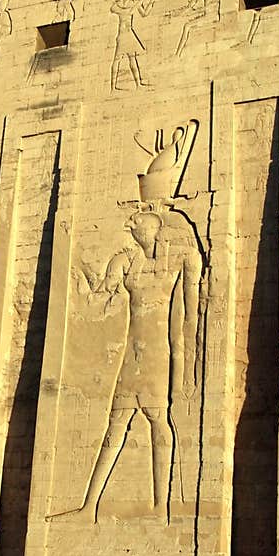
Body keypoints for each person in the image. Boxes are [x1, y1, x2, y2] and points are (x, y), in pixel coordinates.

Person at [48, 208, 204, 523]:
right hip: (132, 355)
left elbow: (189, 315)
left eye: (139, 226)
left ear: (155, 230)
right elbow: (99, 296)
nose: (133, 230)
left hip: (157, 354)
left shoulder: (174, 262)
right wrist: (80, 279)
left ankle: (161, 507)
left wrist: (186, 370)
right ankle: (89, 506)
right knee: (115, 427)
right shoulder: (127, 262)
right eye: (133, 227)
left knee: (157, 421)